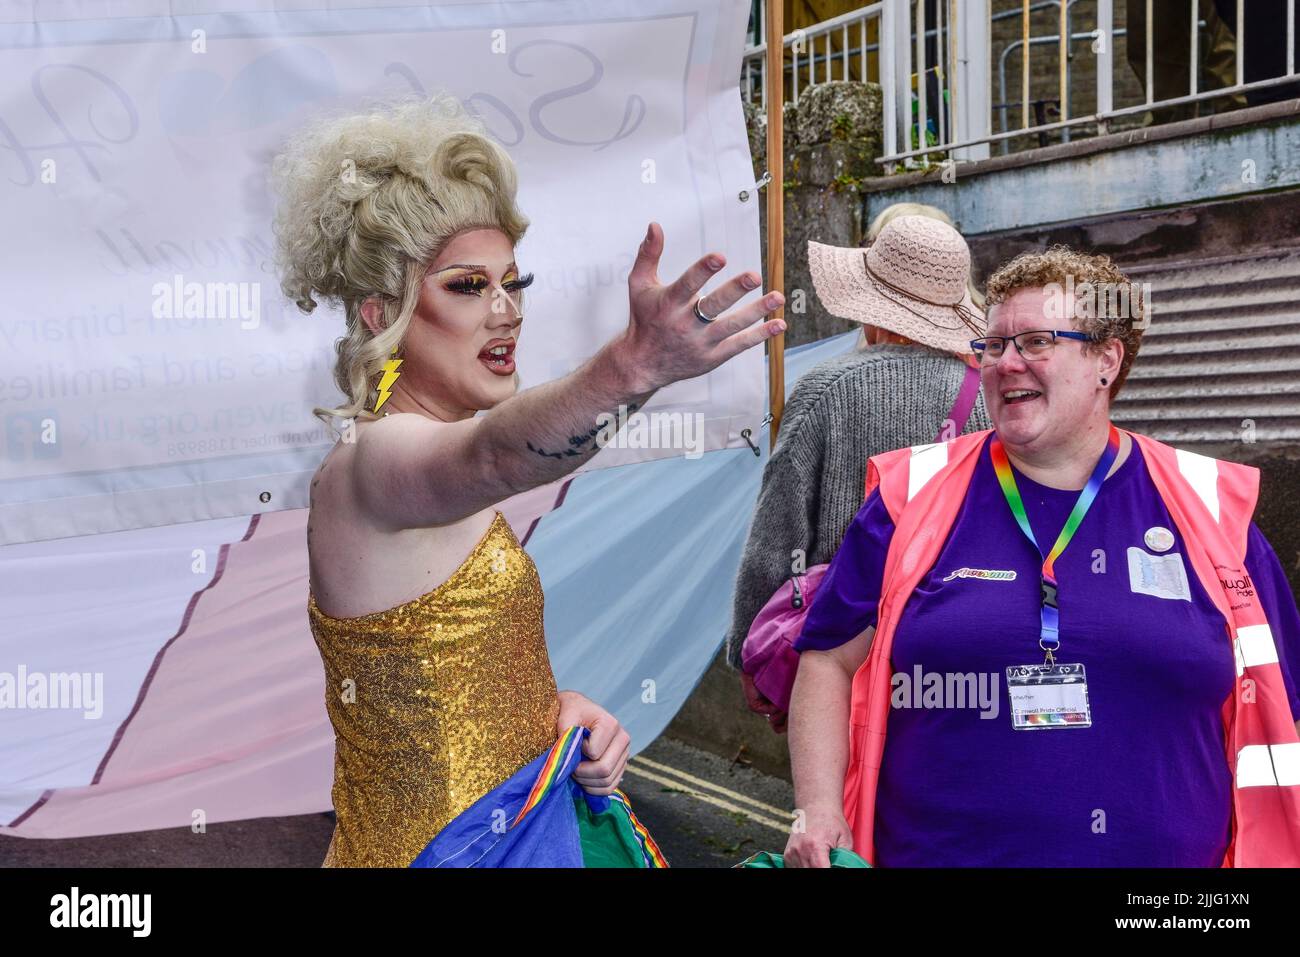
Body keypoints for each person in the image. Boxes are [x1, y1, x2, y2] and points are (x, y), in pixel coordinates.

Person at [271, 94, 786, 867]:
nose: (506, 311)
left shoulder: (426, 468)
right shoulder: (369, 466)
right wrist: (633, 367)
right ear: (384, 313)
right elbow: (495, 455)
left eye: (515, 280)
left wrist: (558, 717)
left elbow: (451, 686)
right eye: (467, 286)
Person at [783, 246, 1300, 867]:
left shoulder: (1213, 510)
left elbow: (1281, 704)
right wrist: (817, 810)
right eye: (993, 345)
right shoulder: (909, 497)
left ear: (1106, 361)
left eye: (1033, 341)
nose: (1005, 363)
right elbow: (829, 661)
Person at [726, 208, 990, 730]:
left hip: (841, 654)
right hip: (958, 652)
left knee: (835, 799)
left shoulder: (826, 388)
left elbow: (776, 537)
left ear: (870, 306)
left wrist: (747, 651)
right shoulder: (993, 397)